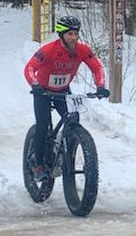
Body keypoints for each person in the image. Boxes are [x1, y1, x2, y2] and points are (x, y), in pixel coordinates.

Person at [24, 15, 109, 181]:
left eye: (76, 34)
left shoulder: (82, 50)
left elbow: (97, 67)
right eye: (70, 34)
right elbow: (29, 68)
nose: (74, 38)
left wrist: (100, 86)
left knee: (72, 119)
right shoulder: (48, 50)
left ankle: (66, 153)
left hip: (63, 90)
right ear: (61, 35)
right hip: (43, 91)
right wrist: (35, 84)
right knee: (42, 126)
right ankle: (39, 165)